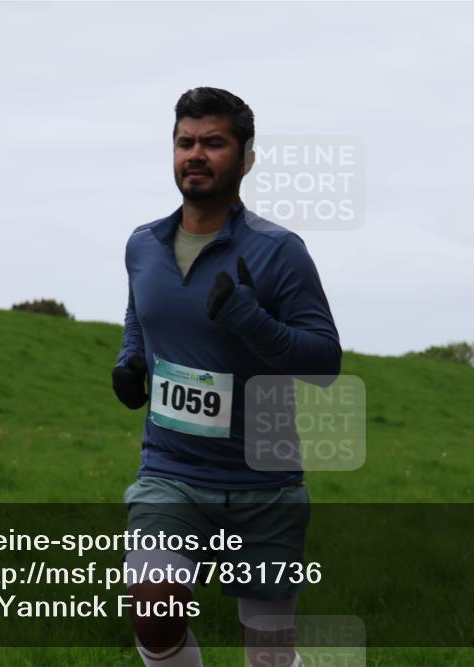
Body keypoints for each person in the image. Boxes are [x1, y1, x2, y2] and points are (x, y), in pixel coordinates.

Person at [113, 87, 341, 667]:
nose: (196, 154)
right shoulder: (143, 246)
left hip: (264, 484)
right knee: (153, 609)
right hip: (171, 473)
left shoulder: (279, 252)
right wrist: (130, 358)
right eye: (185, 141)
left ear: (245, 158)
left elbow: (324, 363)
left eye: (213, 143)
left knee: (267, 656)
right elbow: (140, 313)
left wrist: (248, 318)